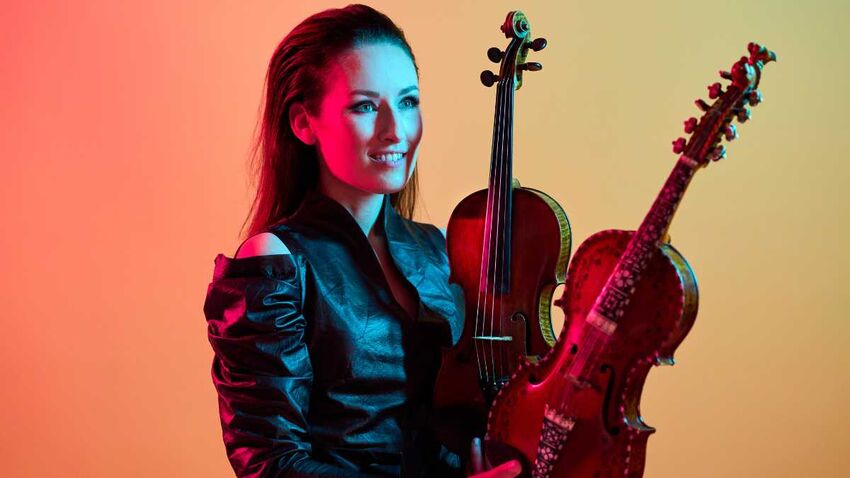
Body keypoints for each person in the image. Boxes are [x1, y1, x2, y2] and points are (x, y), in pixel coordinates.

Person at [203, 4, 521, 477]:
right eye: (365, 106)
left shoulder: (439, 248)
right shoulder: (276, 261)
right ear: (303, 123)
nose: (395, 131)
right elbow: (273, 464)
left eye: (408, 102)